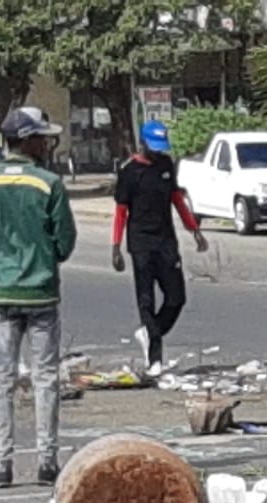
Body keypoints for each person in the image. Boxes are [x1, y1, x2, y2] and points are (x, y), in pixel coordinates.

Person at [0, 106, 77, 489]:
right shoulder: (49, 184)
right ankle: (47, 461)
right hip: (41, 292)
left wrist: (4, 259)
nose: (47, 144)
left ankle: (2, 465)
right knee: (45, 379)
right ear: (27, 140)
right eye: (42, 138)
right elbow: (65, 243)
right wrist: (42, 257)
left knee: (3, 380)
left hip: (1, 291)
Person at [112, 119, 207, 376]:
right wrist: (116, 246)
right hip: (140, 242)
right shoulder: (129, 171)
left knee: (176, 297)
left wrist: (194, 230)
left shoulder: (165, 165)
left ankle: (150, 332)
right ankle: (155, 359)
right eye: (153, 147)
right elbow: (121, 211)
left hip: (166, 240)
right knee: (146, 300)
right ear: (143, 143)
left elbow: (176, 199)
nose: (157, 152)